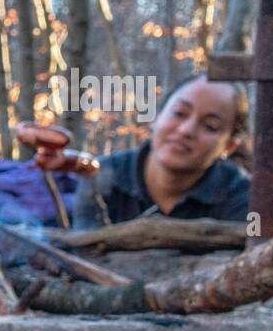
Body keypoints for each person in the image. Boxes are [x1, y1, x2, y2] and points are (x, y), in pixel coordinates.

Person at [72, 73, 250, 229]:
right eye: (179, 113)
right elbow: (83, 251)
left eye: (210, 126)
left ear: (229, 146)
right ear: (157, 117)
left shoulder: (246, 197)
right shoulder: (101, 175)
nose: (186, 130)